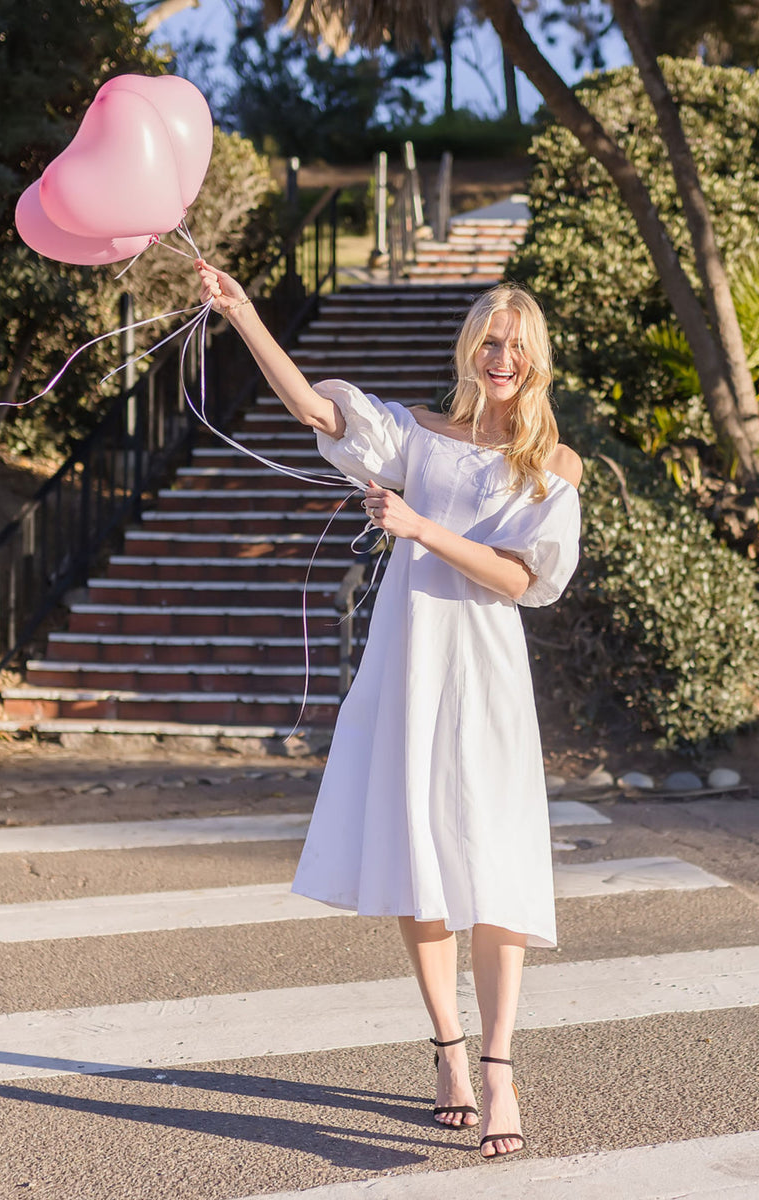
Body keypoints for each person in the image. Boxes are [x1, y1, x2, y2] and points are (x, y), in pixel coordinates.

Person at [195, 259, 582, 1160]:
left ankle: (499, 1071)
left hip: (485, 678)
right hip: (411, 667)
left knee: (496, 873)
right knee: (424, 862)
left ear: (536, 361)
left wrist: (420, 528)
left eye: (516, 346)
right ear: (470, 347)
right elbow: (316, 413)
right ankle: (448, 1047)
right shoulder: (420, 435)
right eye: (489, 340)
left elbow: (524, 580)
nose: (501, 357)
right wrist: (243, 310)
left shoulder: (550, 463)